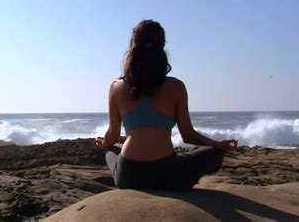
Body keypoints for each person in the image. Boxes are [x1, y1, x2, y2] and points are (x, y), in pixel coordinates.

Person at [95, 19, 237, 190]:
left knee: (112, 148)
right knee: (215, 153)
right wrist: (217, 144)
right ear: (162, 46)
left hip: (129, 175)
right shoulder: (176, 87)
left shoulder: (116, 86)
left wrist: (105, 144)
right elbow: (188, 135)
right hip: (168, 174)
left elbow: (113, 134)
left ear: (133, 45)